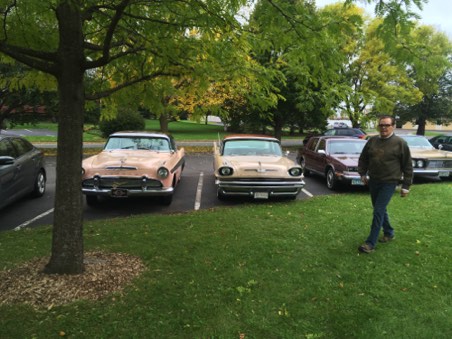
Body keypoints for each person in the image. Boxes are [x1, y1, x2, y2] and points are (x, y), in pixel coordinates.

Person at [357, 115, 413, 253]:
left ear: (393, 126)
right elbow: (363, 158)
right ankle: (389, 232)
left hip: (389, 182)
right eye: (381, 125)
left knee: (378, 211)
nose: (383, 128)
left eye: (386, 125)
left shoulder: (400, 143)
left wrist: (406, 186)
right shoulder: (372, 141)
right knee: (380, 209)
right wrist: (363, 173)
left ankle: (370, 243)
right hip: (374, 181)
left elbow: (407, 166)